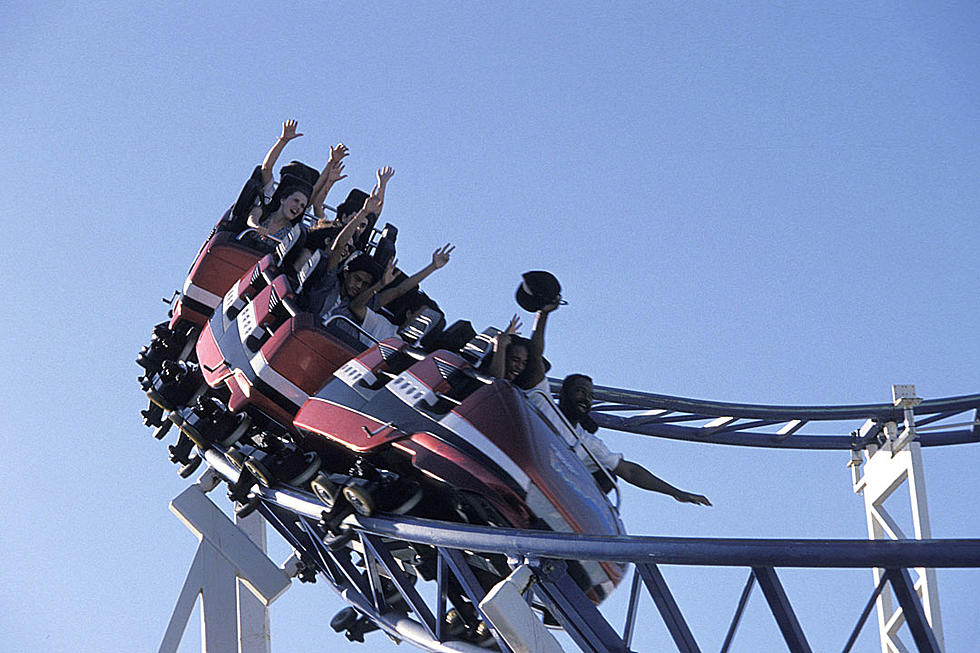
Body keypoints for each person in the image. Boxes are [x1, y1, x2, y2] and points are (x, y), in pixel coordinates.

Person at [558, 374, 711, 505]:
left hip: (554, 482)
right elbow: (536, 363)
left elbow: (630, 472)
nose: (586, 399)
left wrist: (676, 492)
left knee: (607, 477)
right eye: (580, 391)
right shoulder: (542, 404)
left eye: (591, 396)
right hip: (538, 464)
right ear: (564, 392)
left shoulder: (588, 442)